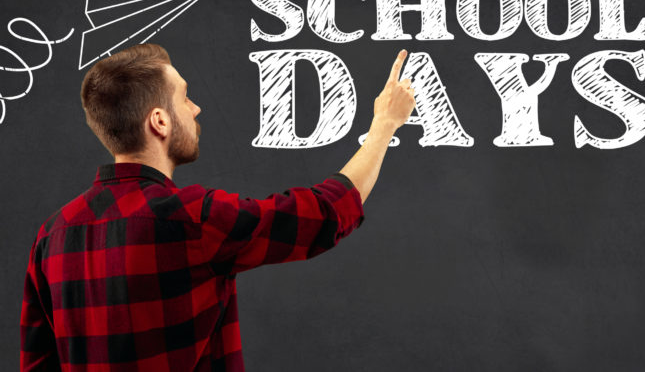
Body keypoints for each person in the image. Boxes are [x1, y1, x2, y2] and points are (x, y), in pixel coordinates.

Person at [20, 43, 416, 371]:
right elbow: (324, 213)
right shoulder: (193, 218)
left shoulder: (52, 234)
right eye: (184, 97)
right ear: (159, 121)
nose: (195, 109)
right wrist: (384, 125)